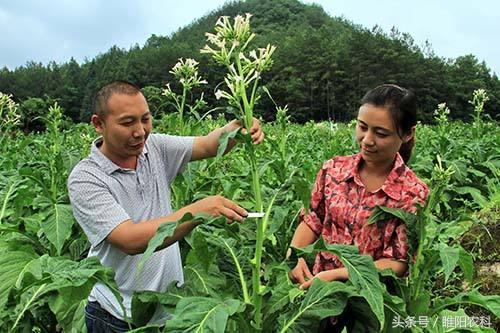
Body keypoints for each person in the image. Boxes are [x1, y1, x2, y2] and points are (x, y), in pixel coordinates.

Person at [68, 80, 264, 332]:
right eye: (128, 123)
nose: (140, 132)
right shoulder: (86, 177)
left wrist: (238, 127)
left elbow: (207, 144)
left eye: (145, 119)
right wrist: (195, 212)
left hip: (170, 311)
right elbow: (130, 240)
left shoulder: (154, 148)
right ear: (98, 124)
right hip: (118, 317)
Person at [288, 84, 429, 331]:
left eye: (381, 133)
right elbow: (313, 220)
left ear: (407, 134)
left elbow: (399, 262)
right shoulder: (332, 170)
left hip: (372, 309)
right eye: (362, 127)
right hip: (317, 298)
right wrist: (296, 258)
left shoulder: (413, 193)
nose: (367, 140)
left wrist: (339, 274)